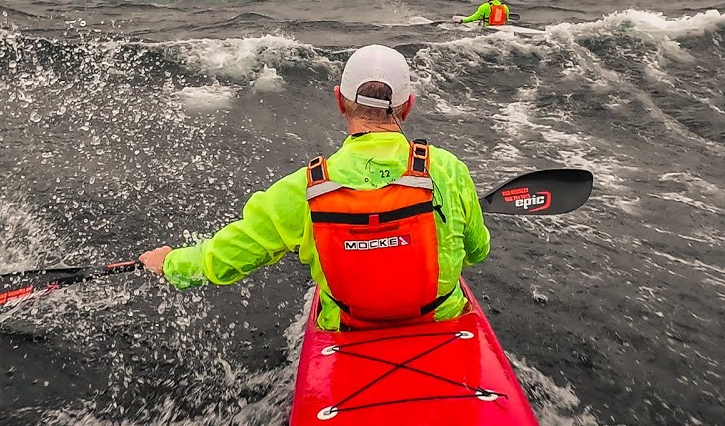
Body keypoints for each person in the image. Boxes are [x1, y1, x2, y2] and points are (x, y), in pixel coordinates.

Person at [139, 44, 490, 331]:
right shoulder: (448, 170)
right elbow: (477, 252)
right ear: (408, 106)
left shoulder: (305, 188)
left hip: (351, 330)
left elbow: (223, 258)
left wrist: (169, 263)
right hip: (441, 324)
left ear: (339, 101)